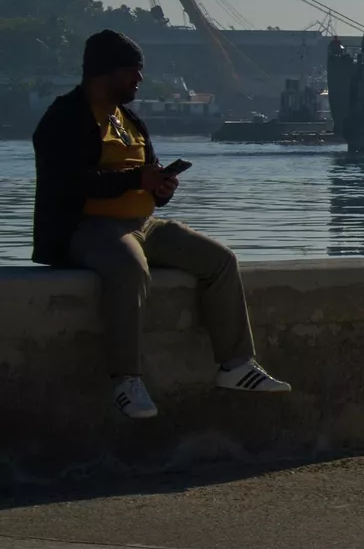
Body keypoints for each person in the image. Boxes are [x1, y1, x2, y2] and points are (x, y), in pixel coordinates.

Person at [32, 30, 291, 420]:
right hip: (89, 226)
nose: (139, 79)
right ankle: (126, 380)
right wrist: (137, 180)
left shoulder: (129, 119)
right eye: (132, 71)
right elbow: (68, 183)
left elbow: (146, 177)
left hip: (144, 222)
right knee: (129, 268)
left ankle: (236, 365)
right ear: (105, 71)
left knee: (220, 260)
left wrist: (160, 187)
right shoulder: (64, 117)